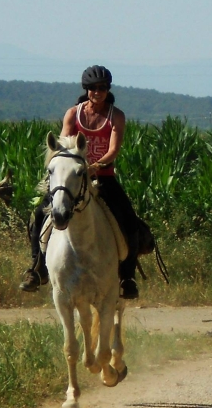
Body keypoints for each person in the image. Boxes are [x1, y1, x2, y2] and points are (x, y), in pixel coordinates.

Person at [19, 65, 141, 300]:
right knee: (39, 214)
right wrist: (72, 167)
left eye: (102, 88)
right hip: (72, 177)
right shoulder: (73, 114)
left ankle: (127, 277)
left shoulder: (116, 115)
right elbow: (64, 142)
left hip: (102, 177)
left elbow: (114, 149)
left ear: (108, 90)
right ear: (86, 90)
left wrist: (94, 167)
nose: (98, 92)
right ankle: (36, 269)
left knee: (129, 220)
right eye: (93, 88)